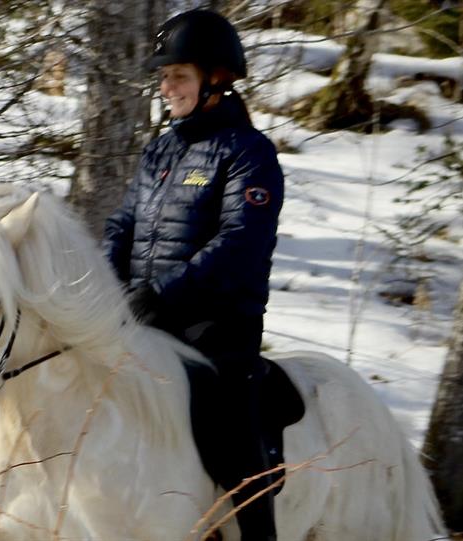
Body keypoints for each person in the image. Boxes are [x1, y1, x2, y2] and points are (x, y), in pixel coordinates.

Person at [103, 9, 285, 541]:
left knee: (229, 431)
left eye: (178, 76)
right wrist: (108, 284)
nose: (166, 88)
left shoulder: (249, 153)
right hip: (145, 319)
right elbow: (123, 225)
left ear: (216, 79)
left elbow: (239, 242)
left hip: (216, 329)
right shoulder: (160, 149)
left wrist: (162, 294)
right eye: (163, 77)